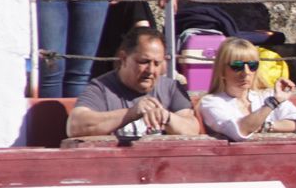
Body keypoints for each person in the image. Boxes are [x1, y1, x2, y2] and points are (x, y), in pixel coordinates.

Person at [67, 27, 201, 137]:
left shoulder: (171, 88)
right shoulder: (100, 88)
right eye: (144, 62)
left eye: (157, 63)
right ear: (123, 58)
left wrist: (166, 117)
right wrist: (131, 113)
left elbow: (192, 128)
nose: (151, 70)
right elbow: (75, 126)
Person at [198, 36, 296, 140]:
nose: (246, 72)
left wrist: (267, 126)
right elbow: (239, 131)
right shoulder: (211, 102)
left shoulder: (266, 95)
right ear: (221, 71)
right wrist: (272, 104)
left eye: (252, 66)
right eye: (237, 66)